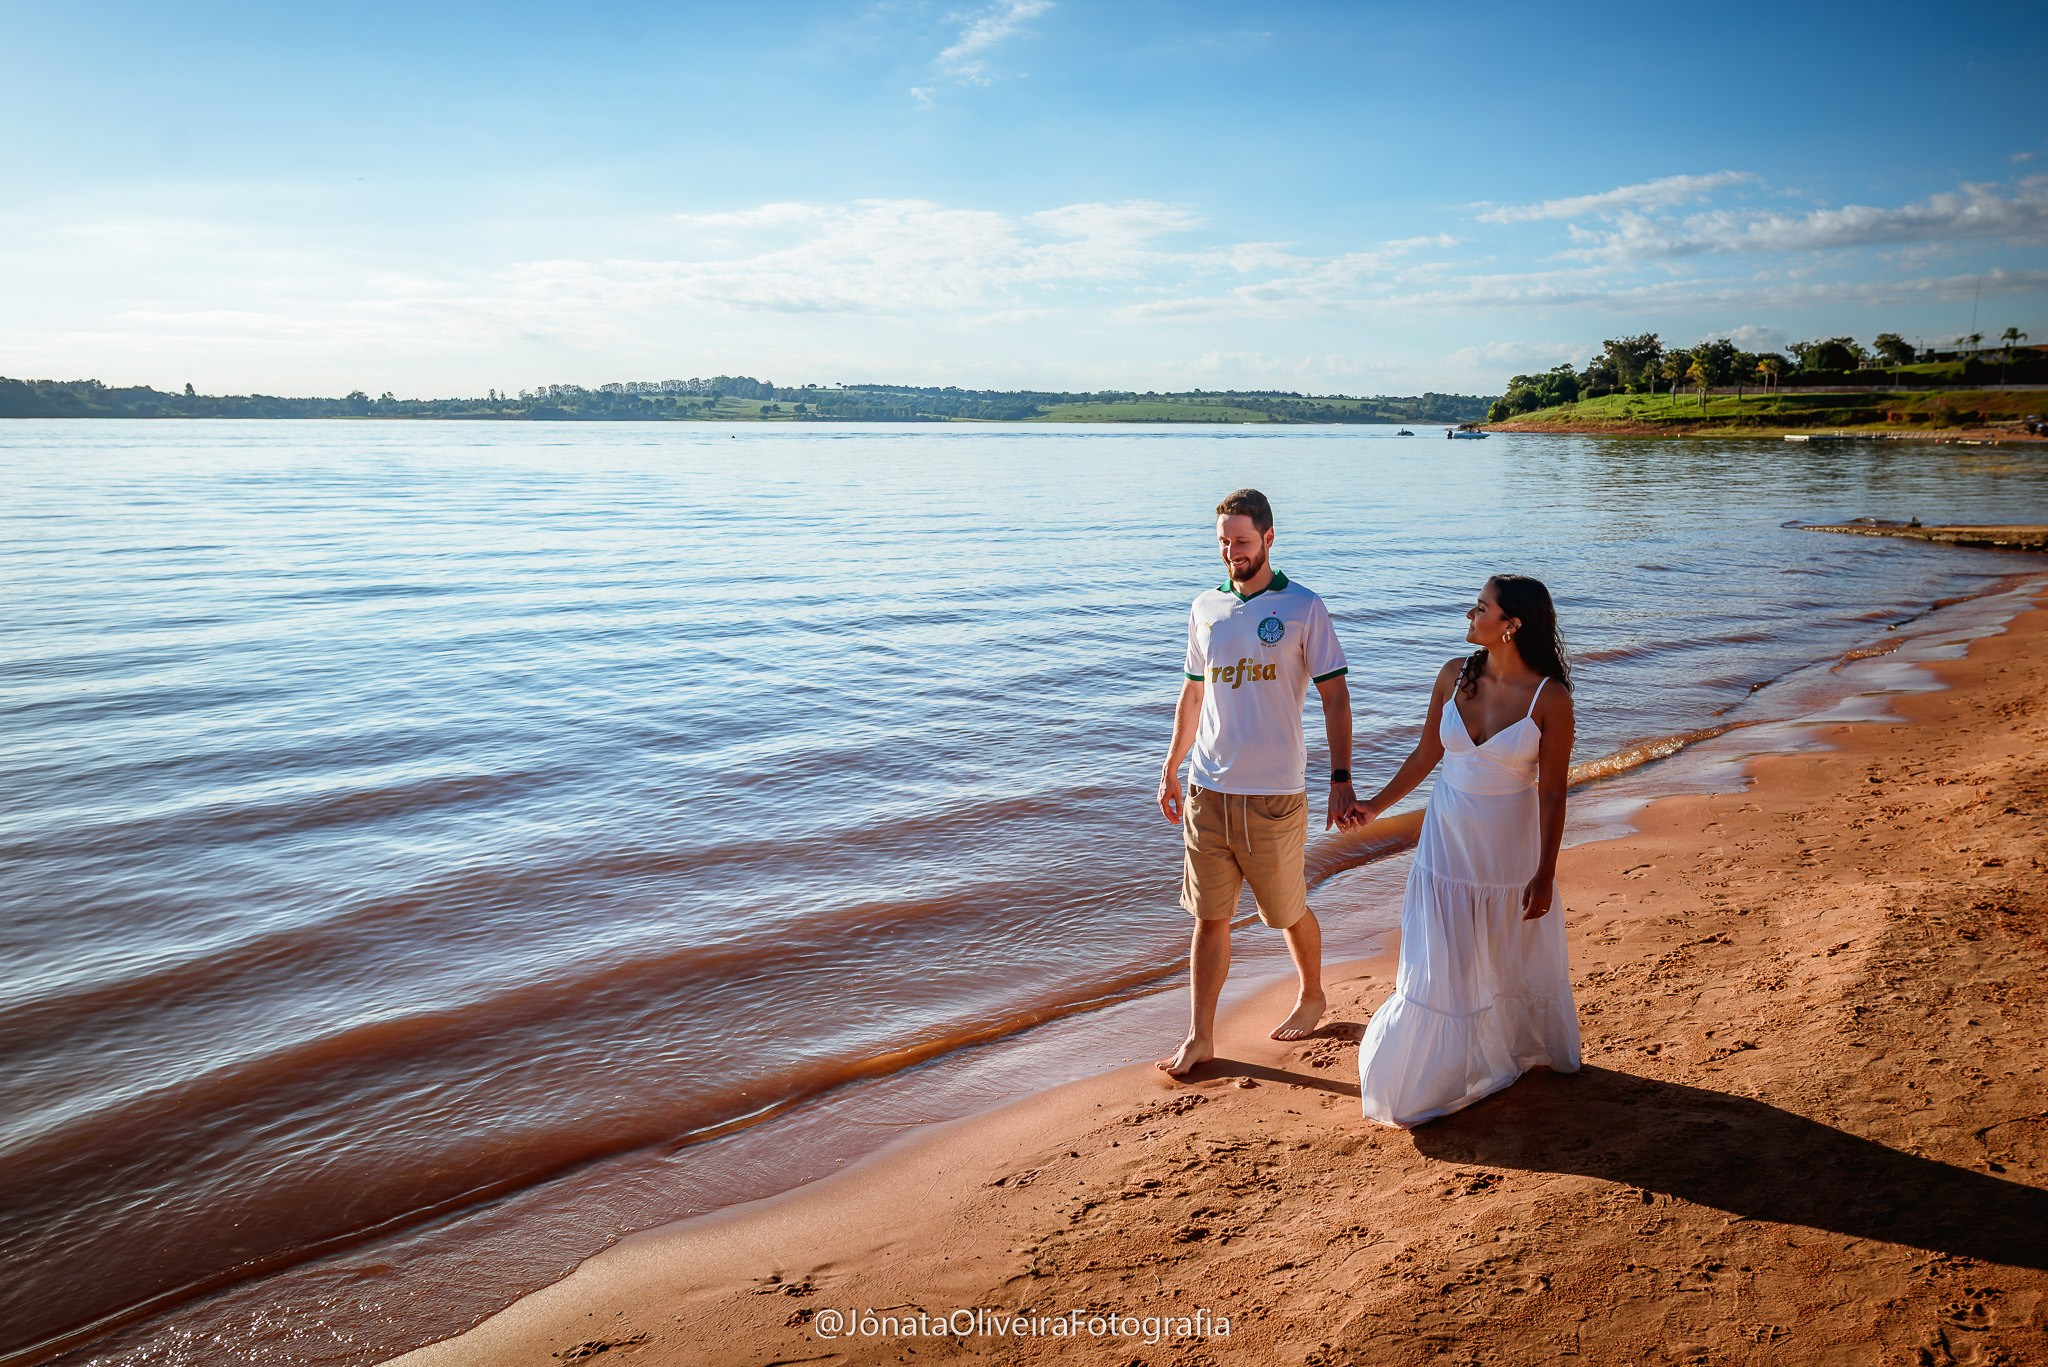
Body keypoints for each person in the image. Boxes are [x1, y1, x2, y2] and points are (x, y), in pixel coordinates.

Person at [1351, 574, 1582, 1125]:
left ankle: (1514, 1048)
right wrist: (1374, 806)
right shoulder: (1454, 675)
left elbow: (1552, 793)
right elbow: (1426, 753)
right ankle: (1437, 1068)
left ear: (1511, 626)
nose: (1470, 615)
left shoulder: (1550, 698)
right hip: (1446, 842)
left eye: (1481, 608)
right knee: (1439, 956)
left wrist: (1545, 872)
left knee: (1506, 950)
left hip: (1508, 847)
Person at [1156, 488, 1358, 1078]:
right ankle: (1200, 1036)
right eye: (1223, 542)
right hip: (1208, 789)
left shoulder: (1303, 607)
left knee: (1288, 909)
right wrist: (1171, 766)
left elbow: (1336, 697)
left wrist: (1341, 777)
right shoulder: (1204, 608)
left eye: (1242, 541)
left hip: (1274, 793)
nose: (1231, 552)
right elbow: (1193, 694)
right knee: (1208, 916)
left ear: (1269, 538)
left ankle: (1312, 994)